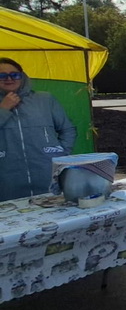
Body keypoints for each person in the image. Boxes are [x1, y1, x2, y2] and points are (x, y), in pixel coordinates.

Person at [0, 57, 77, 202]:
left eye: (14, 74)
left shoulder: (45, 99)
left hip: (46, 177)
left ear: (22, 76)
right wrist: (3, 109)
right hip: (7, 181)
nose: (9, 79)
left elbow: (68, 129)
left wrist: (60, 154)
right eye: (2, 75)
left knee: (55, 212)